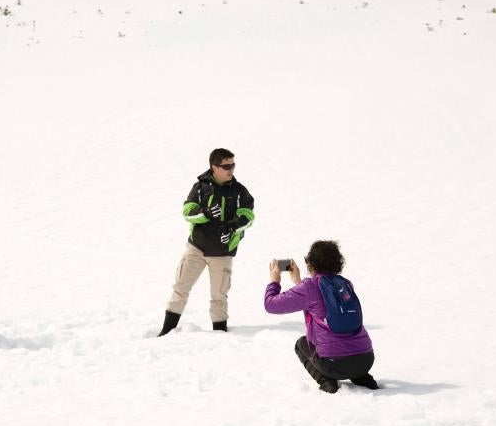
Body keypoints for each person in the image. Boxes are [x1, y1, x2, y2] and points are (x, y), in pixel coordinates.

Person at [158, 148, 255, 336]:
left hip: (223, 253)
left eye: (233, 165)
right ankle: (165, 332)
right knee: (180, 289)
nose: (231, 169)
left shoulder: (239, 191)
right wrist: (206, 213)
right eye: (226, 166)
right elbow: (187, 212)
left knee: (219, 297)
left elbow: (248, 216)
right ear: (214, 167)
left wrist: (232, 227)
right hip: (196, 249)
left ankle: (220, 334)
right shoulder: (200, 188)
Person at [263, 240, 378, 393]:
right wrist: (298, 281)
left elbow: (271, 305)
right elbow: (317, 301)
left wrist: (274, 282)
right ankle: (361, 377)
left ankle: (327, 381)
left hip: (333, 364)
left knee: (301, 344)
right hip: (366, 359)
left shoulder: (309, 287)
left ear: (310, 263)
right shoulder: (345, 284)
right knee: (346, 344)